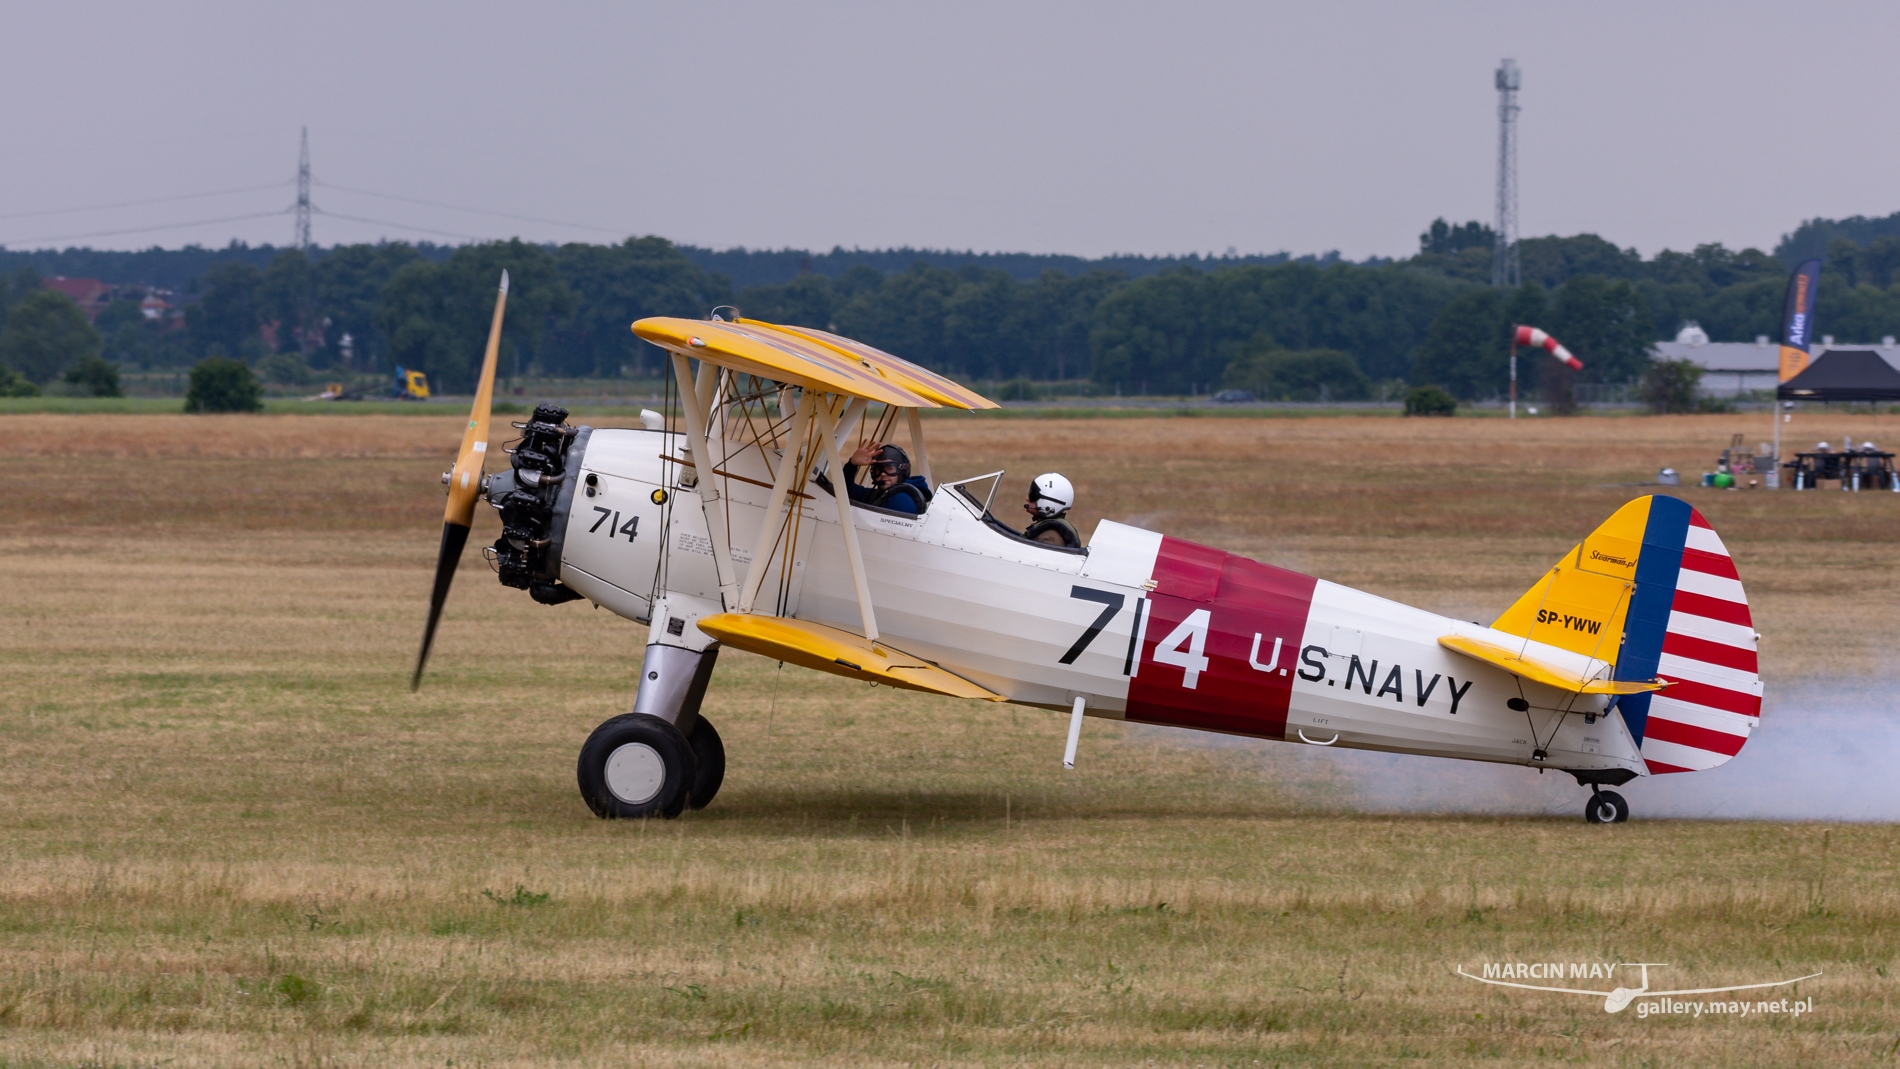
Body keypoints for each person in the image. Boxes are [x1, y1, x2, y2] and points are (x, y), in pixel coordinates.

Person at [822, 441, 931, 515]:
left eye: (889, 468)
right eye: (878, 469)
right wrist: (852, 464)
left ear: (902, 471)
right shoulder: (881, 494)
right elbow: (846, 491)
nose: (883, 474)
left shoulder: (901, 500)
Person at [1021, 473, 1080, 548]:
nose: (1027, 498)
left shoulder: (1050, 538)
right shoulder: (1046, 531)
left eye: (1032, 495)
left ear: (1048, 502)